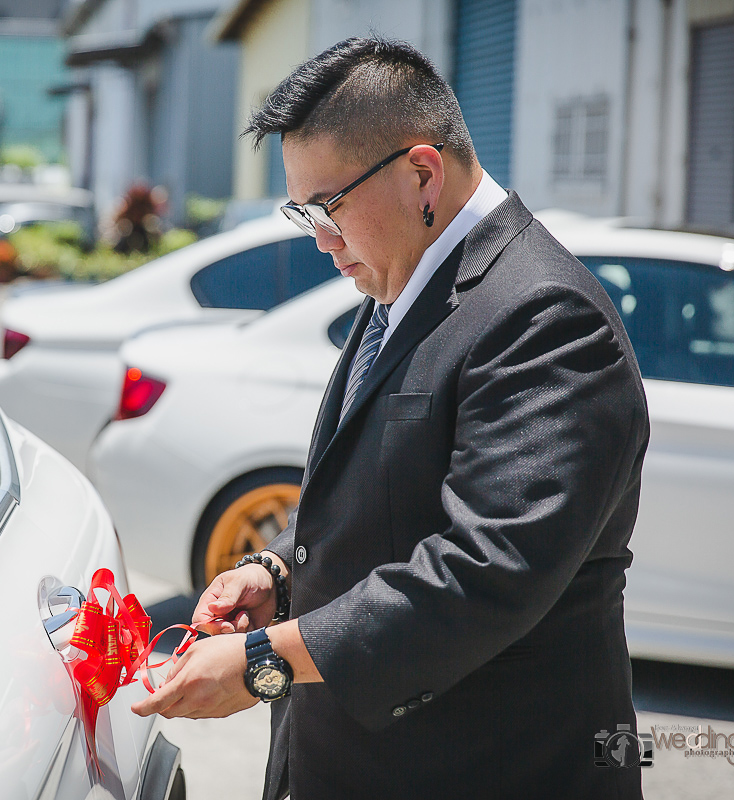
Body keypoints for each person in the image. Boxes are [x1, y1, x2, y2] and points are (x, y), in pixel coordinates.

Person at [131, 37, 649, 799]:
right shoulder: (400, 288)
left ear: (421, 174)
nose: (319, 239)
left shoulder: (545, 316)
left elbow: (483, 572)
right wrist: (275, 569)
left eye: (328, 206)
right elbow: (380, 494)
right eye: (300, 210)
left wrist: (263, 660)